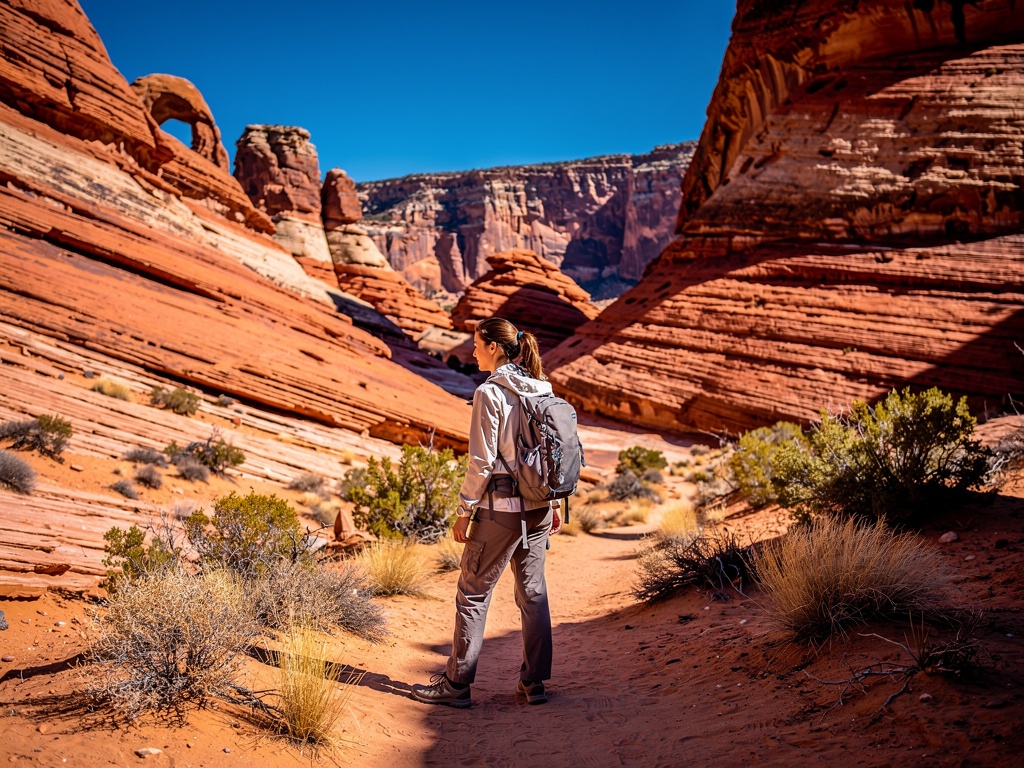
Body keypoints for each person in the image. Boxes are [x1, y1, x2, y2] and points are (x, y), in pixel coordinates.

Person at [410, 317, 561, 709]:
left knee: (473, 593)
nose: (472, 350)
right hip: (540, 507)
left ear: (494, 347)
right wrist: (555, 502)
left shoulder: (490, 393)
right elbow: (552, 454)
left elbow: (481, 461)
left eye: (476, 343)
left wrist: (464, 511)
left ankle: (456, 685)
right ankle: (534, 683)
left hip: (500, 510)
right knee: (533, 594)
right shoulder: (543, 389)